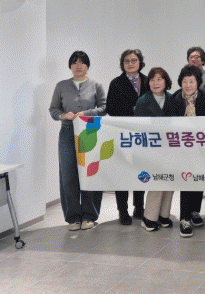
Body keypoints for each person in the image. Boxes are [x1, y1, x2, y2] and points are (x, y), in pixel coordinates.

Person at [49, 51, 106, 231]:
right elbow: (53, 109)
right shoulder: (61, 86)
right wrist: (63, 115)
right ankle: (73, 218)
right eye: (75, 62)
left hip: (90, 132)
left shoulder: (96, 85)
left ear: (87, 65)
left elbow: (104, 107)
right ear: (70, 66)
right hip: (67, 132)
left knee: (90, 173)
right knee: (68, 175)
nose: (78, 66)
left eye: (82, 62)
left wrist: (87, 113)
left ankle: (90, 216)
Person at [106, 49, 149, 225]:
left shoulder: (148, 80)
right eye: (126, 61)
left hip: (143, 134)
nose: (130, 64)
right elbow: (110, 108)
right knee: (122, 172)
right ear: (122, 64)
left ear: (140, 62)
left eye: (134, 60)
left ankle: (139, 207)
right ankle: (122, 210)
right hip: (122, 133)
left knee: (141, 169)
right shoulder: (116, 83)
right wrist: (132, 110)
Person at [134, 67, 180, 233]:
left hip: (170, 147)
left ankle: (163, 215)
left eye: (159, 79)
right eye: (152, 80)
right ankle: (149, 218)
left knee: (169, 181)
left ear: (166, 81)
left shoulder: (173, 98)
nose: (155, 83)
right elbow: (137, 128)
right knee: (157, 182)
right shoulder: (142, 101)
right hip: (151, 148)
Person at [171, 65, 205, 237]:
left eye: (192, 81)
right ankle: (184, 218)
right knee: (186, 182)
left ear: (198, 83)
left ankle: (195, 211)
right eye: (185, 81)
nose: (188, 85)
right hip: (181, 149)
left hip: (200, 148)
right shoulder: (174, 99)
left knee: (198, 181)